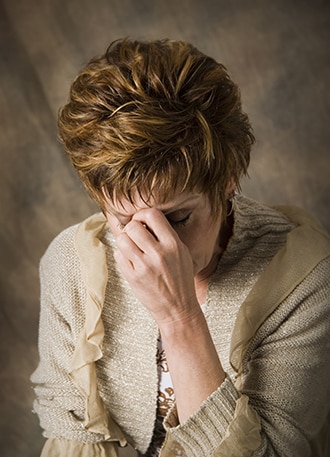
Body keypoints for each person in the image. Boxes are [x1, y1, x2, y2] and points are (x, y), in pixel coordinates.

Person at [31, 38, 330, 457]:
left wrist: (180, 318)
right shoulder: (72, 264)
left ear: (226, 183)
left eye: (176, 219)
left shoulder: (307, 282)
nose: (156, 247)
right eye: (125, 221)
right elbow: (73, 439)